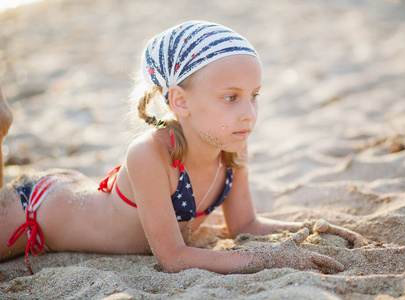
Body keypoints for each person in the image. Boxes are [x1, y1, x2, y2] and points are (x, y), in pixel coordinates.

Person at [0, 21, 364, 275]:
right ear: (180, 101)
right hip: (36, 210)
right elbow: (172, 259)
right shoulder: (149, 154)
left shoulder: (232, 149)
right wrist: (272, 260)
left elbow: (245, 224)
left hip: (79, 192)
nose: (249, 114)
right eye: (231, 98)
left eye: (254, 97)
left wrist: (313, 229)